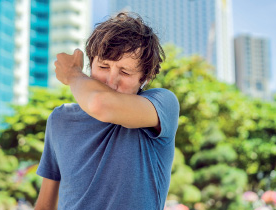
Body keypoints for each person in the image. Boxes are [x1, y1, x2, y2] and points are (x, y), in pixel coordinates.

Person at [35, 12, 179, 210]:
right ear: (90, 64)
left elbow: (100, 104)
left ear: (145, 77)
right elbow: (45, 204)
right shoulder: (60, 118)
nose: (111, 81)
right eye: (103, 67)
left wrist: (73, 75)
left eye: (125, 72)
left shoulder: (161, 104)